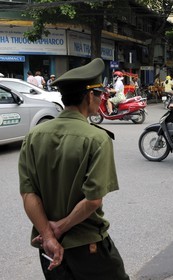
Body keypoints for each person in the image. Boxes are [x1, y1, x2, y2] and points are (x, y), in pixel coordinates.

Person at [19, 58, 129, 280]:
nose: (101, 99)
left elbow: (28, 193)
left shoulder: (34, 136)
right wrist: (59, 228)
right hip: (88, 246)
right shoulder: (97, 138)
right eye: (99, 94)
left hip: (48, 249)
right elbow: (93, 200)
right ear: (89, 96)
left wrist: (48, 236)